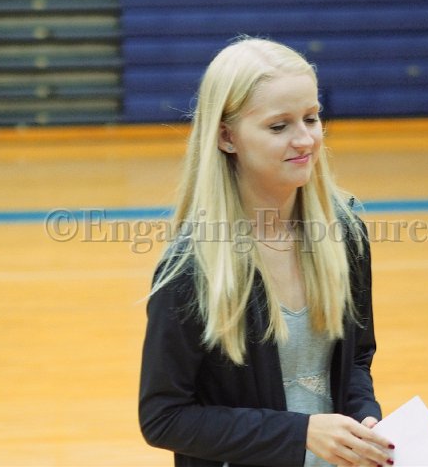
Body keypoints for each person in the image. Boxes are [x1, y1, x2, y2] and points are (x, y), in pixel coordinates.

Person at [139, 36, 394, 467]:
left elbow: (356, 359)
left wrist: (364, 416)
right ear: (226, 137)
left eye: (311, 118)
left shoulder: (344, 232)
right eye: (279, 127)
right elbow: (164, 417)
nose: (305, 140)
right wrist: (300, 433)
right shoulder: (193, 268)